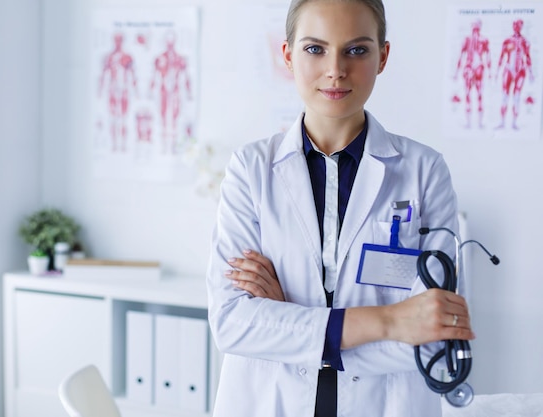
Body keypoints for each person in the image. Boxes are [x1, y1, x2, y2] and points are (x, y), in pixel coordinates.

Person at [206, 1, 474, 417]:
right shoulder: (252, 169)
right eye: (315, 49)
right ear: (288, 54)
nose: (335, 69)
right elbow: (232, 323)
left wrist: (290, 323)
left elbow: (435, 340)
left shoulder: (424, 171)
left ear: (382, 56)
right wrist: (389, 321)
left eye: (356, 50)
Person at [495, 18, 534, 130]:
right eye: (515, 25)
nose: (517, 27)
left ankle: (514, 123)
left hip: (520, 71)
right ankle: (502, 122)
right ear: (513, 26)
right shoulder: (507, 40)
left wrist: (531, 72)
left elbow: (528, 57)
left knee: (517, 97)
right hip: (508, 69)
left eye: (519, 25)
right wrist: (497, 72)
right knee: (505, 96)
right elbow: (502, 56)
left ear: (521, 27)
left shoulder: (525, 41)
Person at [453, 19, 491, 129]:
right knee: (468, 95)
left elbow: (488, 56)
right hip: (468, 68)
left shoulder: (484, 40)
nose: (475, 28)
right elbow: (461, 56)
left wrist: (489, 72)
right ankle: (469, 123)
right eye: (474, 25)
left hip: (478, 68)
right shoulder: (467, 40)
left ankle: (479, 123)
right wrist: (456, 72)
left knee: (479, 95)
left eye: (477, 25)